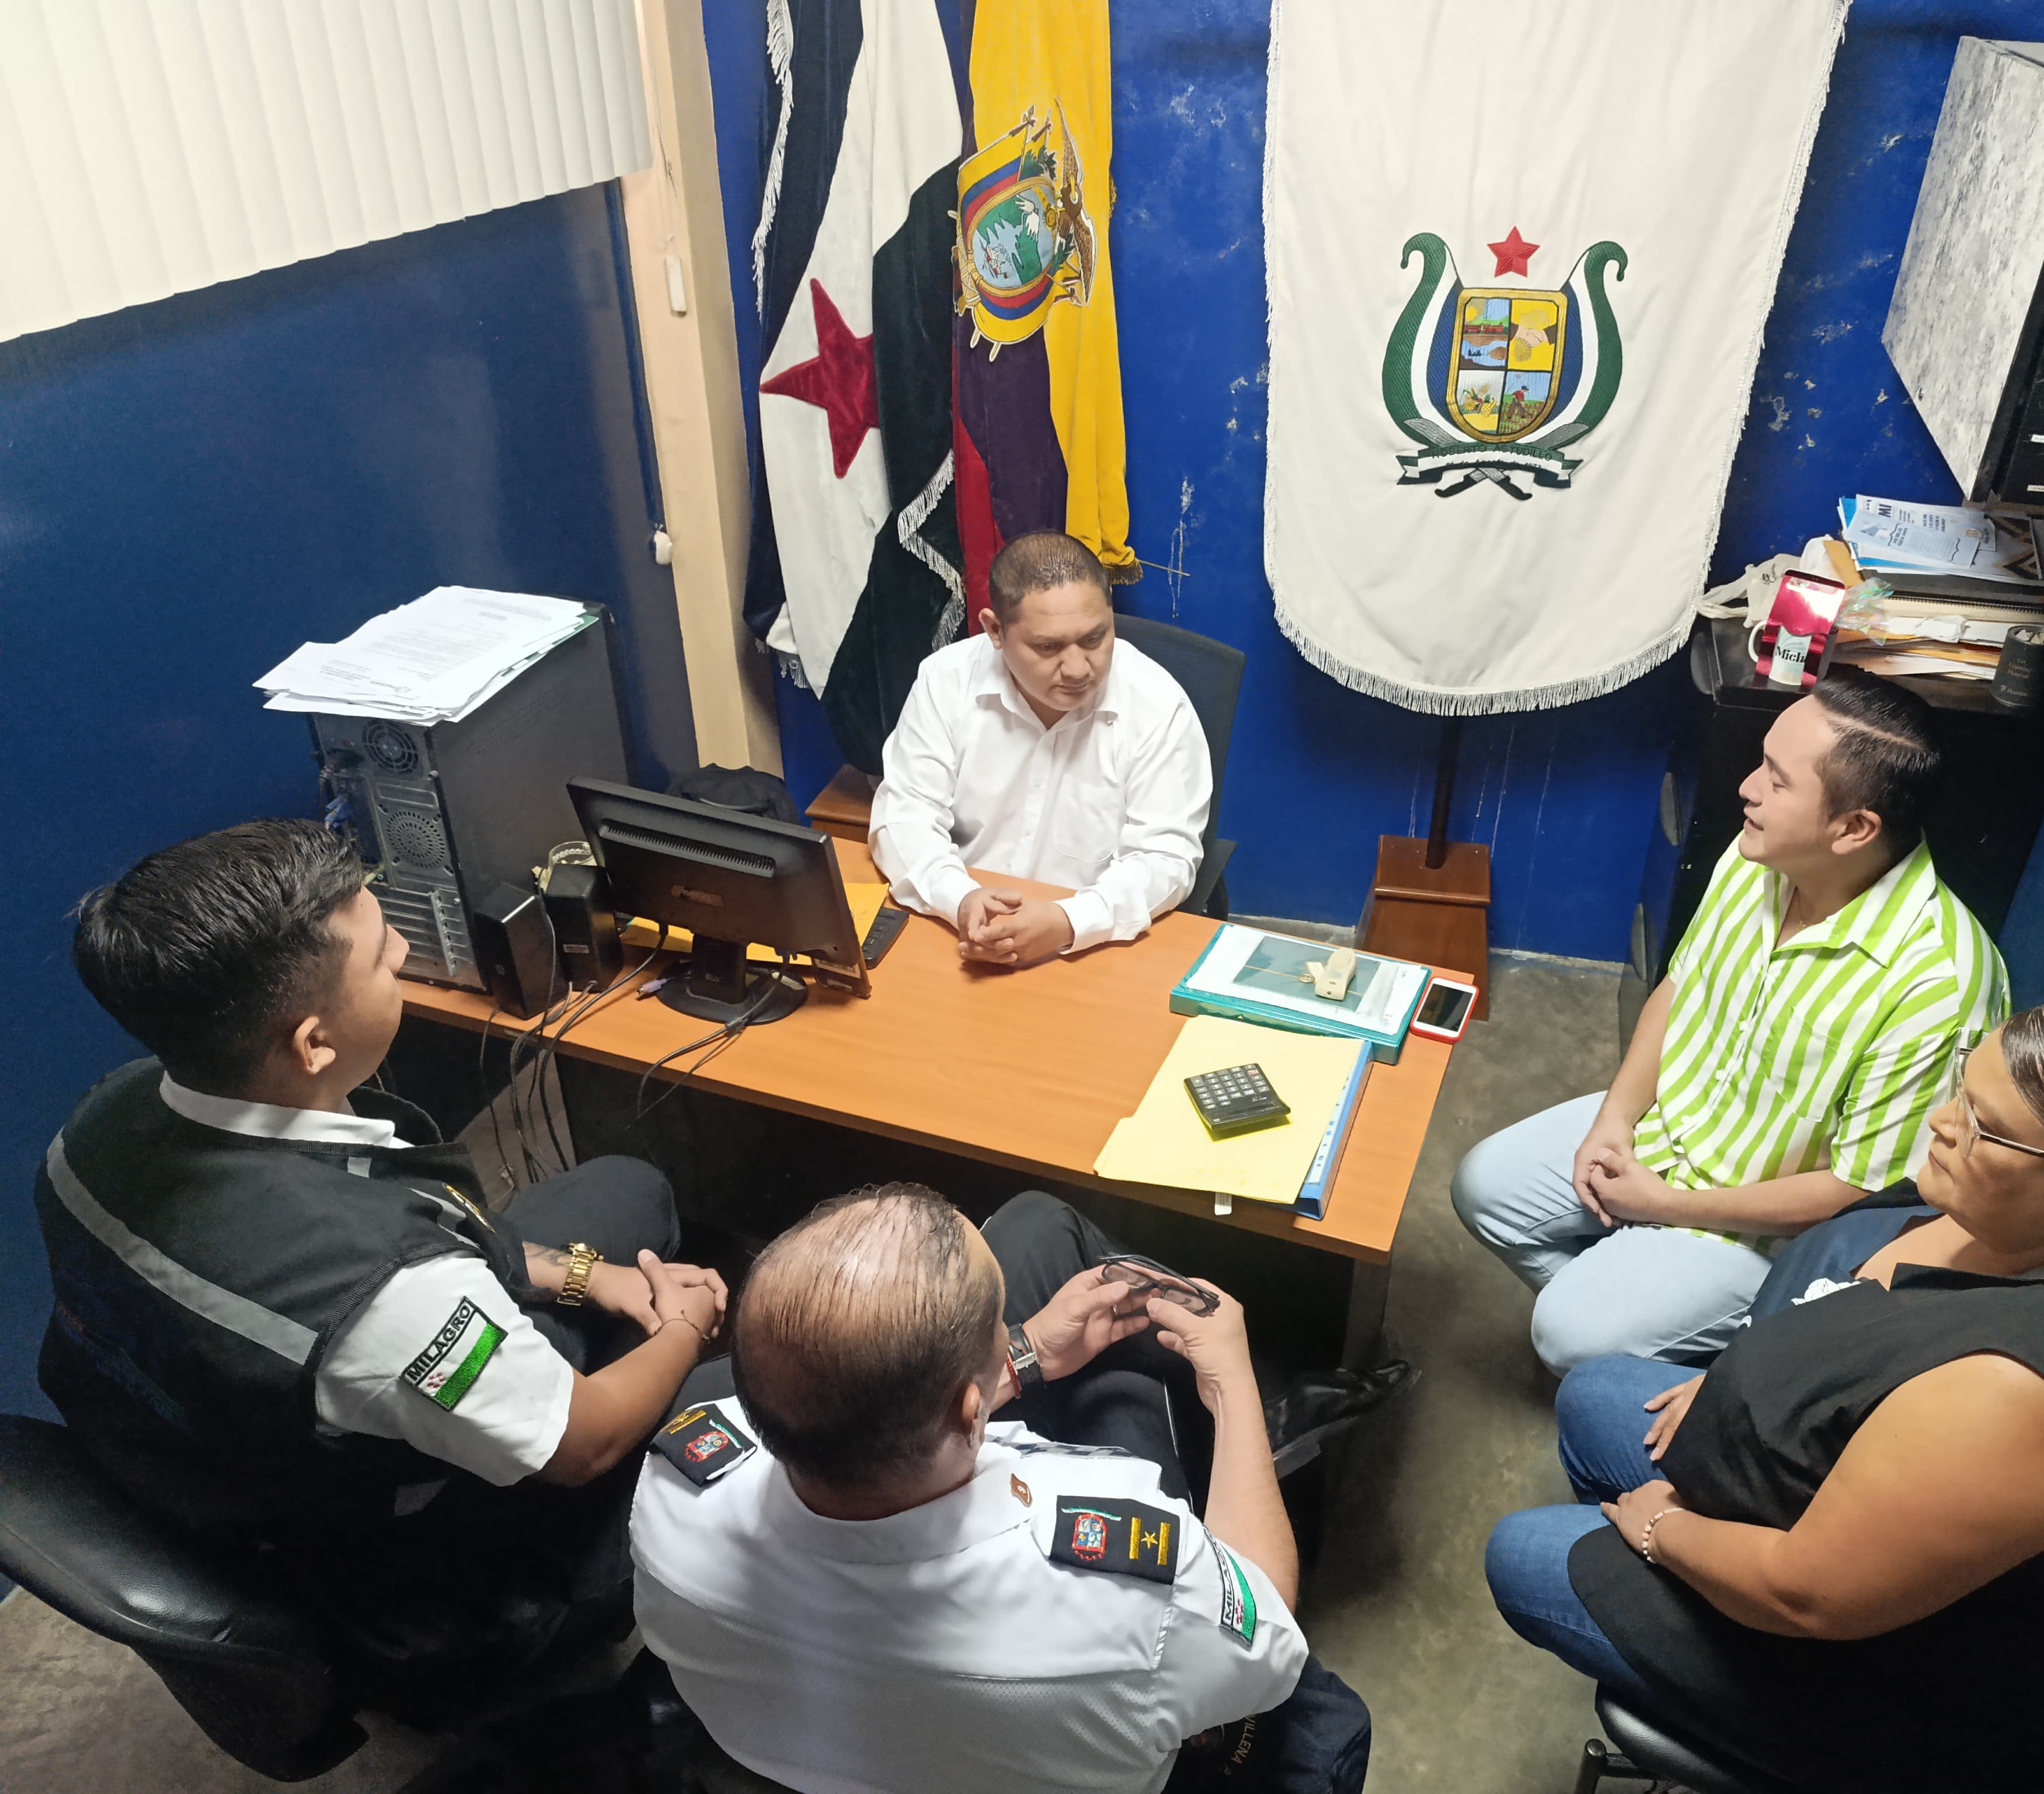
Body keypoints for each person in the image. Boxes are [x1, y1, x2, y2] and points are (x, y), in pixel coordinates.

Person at [1482, 997, 2044, 1794]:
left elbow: (1806, 1597)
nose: (1941, 1122)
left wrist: (1664, 1531)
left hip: (1881, 1677)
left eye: (1984, 1127)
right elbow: (1875, 1306)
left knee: (1521, 1553)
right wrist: (1743, 1383)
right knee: (1594, 1396)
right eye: (1962, 1090)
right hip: (1860, 1515)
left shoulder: (2018, 1399)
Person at [33, 820, 728, 1694]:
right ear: (314, 1044)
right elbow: (584, 1444)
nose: (402, 949)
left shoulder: (107, 1116)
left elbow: (411, 1239)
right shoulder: (391, 1295)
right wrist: (685, 1326)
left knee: (628, 1190)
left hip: (232, 1442)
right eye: (382, 956)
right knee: (738, 1389)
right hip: (419, 1577)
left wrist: (587, 1276)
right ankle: (565, 1634)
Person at [633, 1186, 1371, 1794]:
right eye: (1000, 1321)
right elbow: (1267, 1619)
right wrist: (1231, 1383)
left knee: (1039, 1233)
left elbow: (864, 1426)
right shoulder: (1131, 1598)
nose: (1008, 1325)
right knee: (1124, 1390)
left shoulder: (672, 1489)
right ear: (968, 1409)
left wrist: (1025, 1353)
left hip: (811, 1751)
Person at [1453, 666, 2008, 1371]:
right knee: (1484, 1189)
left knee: (1569, 1334)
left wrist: (1664, 1207)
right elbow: (1680, 988)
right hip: (1671, 1133)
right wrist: (1614, 1121)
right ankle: (1636, 1327)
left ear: (1854, 828)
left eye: (1777, 781)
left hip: (1765, 1229)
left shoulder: (1941, 984)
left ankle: (1705, 1361)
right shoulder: (1758, 858)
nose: (1747, 788)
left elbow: (1864, 1190)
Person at [870, 529, 1212, 968]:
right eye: (1049, 647)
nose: (1077, 669)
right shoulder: (946, 681)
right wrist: (959, 897)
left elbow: (1165, 858)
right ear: (995, 630)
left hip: (1094, 950)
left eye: (1094, 639)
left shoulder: (1157, 704)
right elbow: (905, 816)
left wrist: (1068, 921)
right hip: (958, 934)